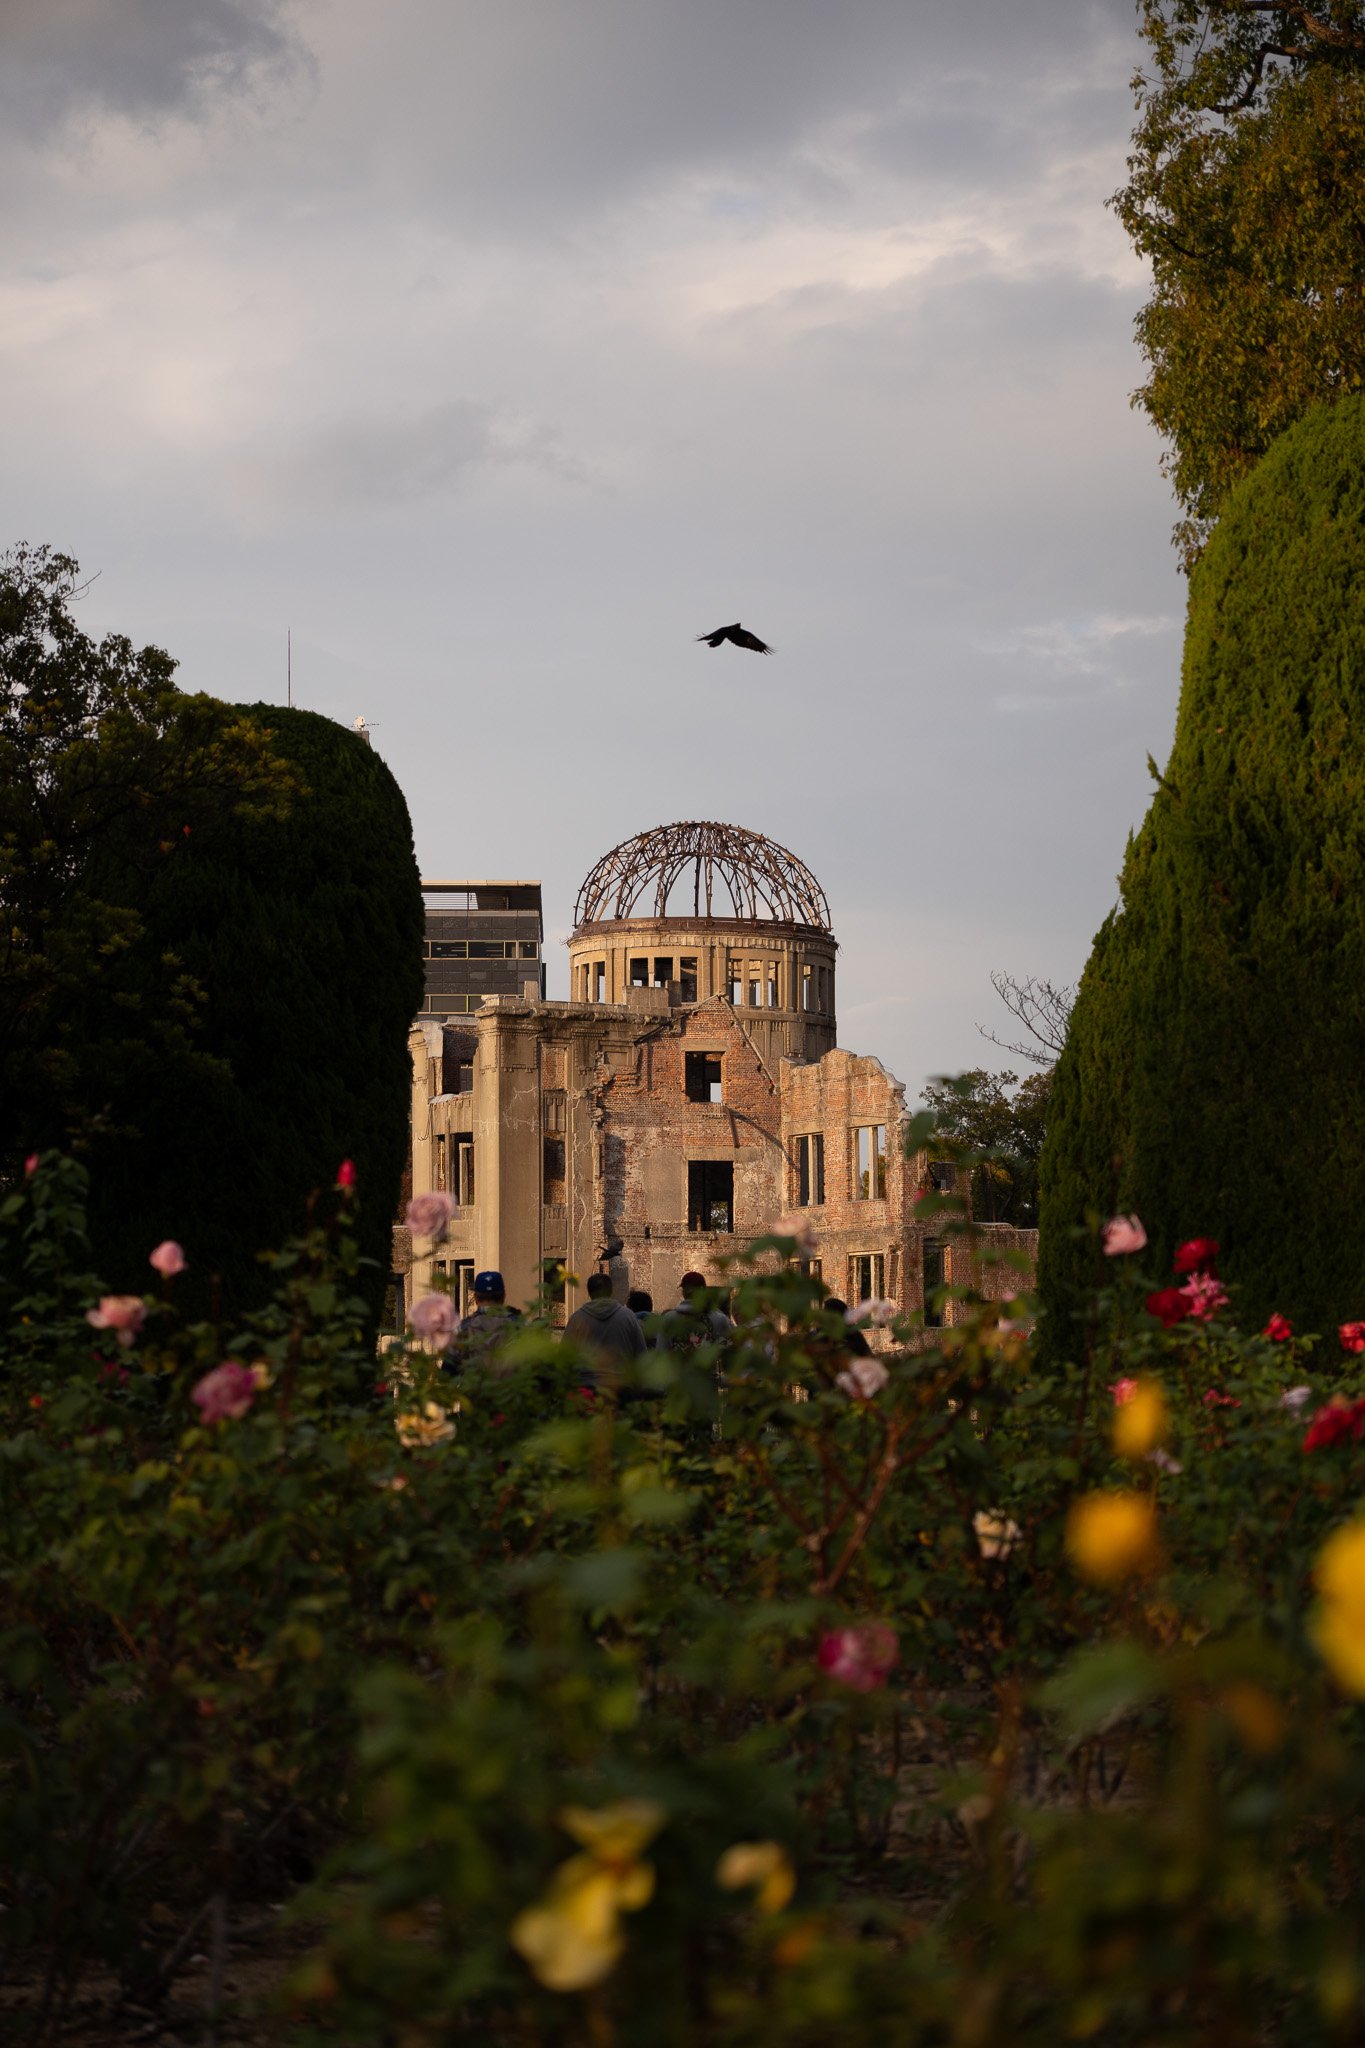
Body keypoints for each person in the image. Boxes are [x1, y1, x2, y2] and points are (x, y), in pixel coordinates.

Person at [563, 1273, 646, 1379]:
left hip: (586, 1384)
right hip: (620, 1383)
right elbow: (641, 1355)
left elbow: (564, 1357)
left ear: (589, 1292)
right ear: (611, 1291)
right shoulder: (628, 1317)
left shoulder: (577, 1318)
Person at [453, 1270, 522, 1372]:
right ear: (503, 1297)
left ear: (476, 1298)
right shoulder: (520, 1326)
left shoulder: (463, 1329)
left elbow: (447, 1374)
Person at [664, 1270, 733, 1349]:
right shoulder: (720, 1318)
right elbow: (731, 1348)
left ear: (683, 1292)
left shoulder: (669, 1319)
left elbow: (661, 1351)